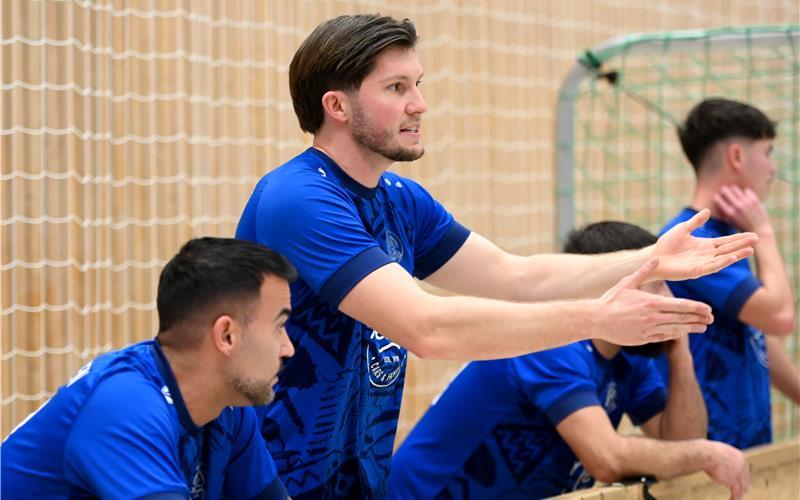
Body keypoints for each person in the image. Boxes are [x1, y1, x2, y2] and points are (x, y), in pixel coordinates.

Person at [235, 14, 756, 498]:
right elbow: (427, 326)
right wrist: (598, 316)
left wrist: (650, 259)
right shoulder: (300, 197)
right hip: (266, 478)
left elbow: (517, 275)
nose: (420, 103)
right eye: (397, 88)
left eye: (419, 85)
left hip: (354, 479)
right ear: (337, 106)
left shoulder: (400, 199)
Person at [389, 222, 750, 500]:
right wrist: (707, 454)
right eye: (659, 284)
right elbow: (607, 458)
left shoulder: (628, 359)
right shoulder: (551, 345)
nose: (671, 296)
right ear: (615, 283)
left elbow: (682, 441)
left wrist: (680, 350)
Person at [1, 238, 296, 499]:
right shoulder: (125, 406)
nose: (288, 348)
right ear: (226, 335)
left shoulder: (228, 407)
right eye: (279, 327)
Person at [657, 98, 798, 449]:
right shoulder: (693, 239)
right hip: (711, 447)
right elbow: (780, 317)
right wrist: (764, 233)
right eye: (767, 152)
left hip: (749, 443)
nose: (772, 168)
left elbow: (758, 332)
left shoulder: (725, 232)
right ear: (736, 157)